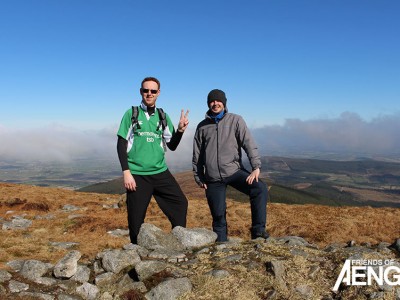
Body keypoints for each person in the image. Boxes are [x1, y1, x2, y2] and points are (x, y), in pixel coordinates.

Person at [117, 76, 189, 244]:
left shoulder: (162, 115)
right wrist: (126, 172)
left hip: (160, 172)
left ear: (158, 93)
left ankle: (178, 242)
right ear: (141, 92)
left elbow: (172, 145)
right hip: (137, 175)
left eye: (153, 91)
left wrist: (180, 131)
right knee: (136, 218)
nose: (149, 94)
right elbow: (121, 144)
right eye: (145, 90)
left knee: (180, 203)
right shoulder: (132, 113)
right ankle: (136, 251)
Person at [192, 89, 268, 242]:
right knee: (218, 215)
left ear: (224, 103)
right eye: (212, 101)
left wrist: (256, 167)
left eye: (218, 100)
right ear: (208, 104)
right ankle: (221, 244)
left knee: (259, 188)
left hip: (234, 171)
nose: (215, 103)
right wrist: (199, 177)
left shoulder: (235, 120)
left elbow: (248, 143)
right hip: (212, 178)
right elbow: (197, 155)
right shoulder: (202, 126)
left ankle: (258, 231)